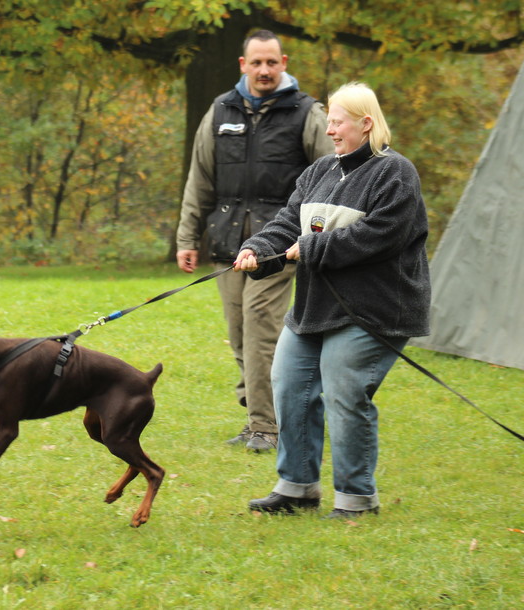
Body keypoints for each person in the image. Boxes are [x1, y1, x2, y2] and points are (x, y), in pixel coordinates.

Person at [233, 81, 430, 518]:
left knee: (345, 391)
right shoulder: (319, 171)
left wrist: (314, 248)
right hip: (314, 310)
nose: (332, 131)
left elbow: (379, 235)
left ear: (366, 123)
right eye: (330, 123)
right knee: (288, 384)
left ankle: (357, 499)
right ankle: (297, 488)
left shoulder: (395, 173)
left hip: (373, 312)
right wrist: (258, 250)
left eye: (338, 122)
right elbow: (288, 223)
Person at [176, 30, 335, 452]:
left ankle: (267, 427)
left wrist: (316, 237)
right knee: (240, 336)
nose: (264, 70)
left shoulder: (307, 113)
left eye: (272, 62)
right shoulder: (220, 110)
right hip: (227, 245)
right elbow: (200, 179)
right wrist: (187, 238)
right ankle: (258, 417)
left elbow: (331, 176)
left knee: (261, 334)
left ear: (283, 63)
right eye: (256, 63)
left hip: (278, 248)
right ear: (243, 66)